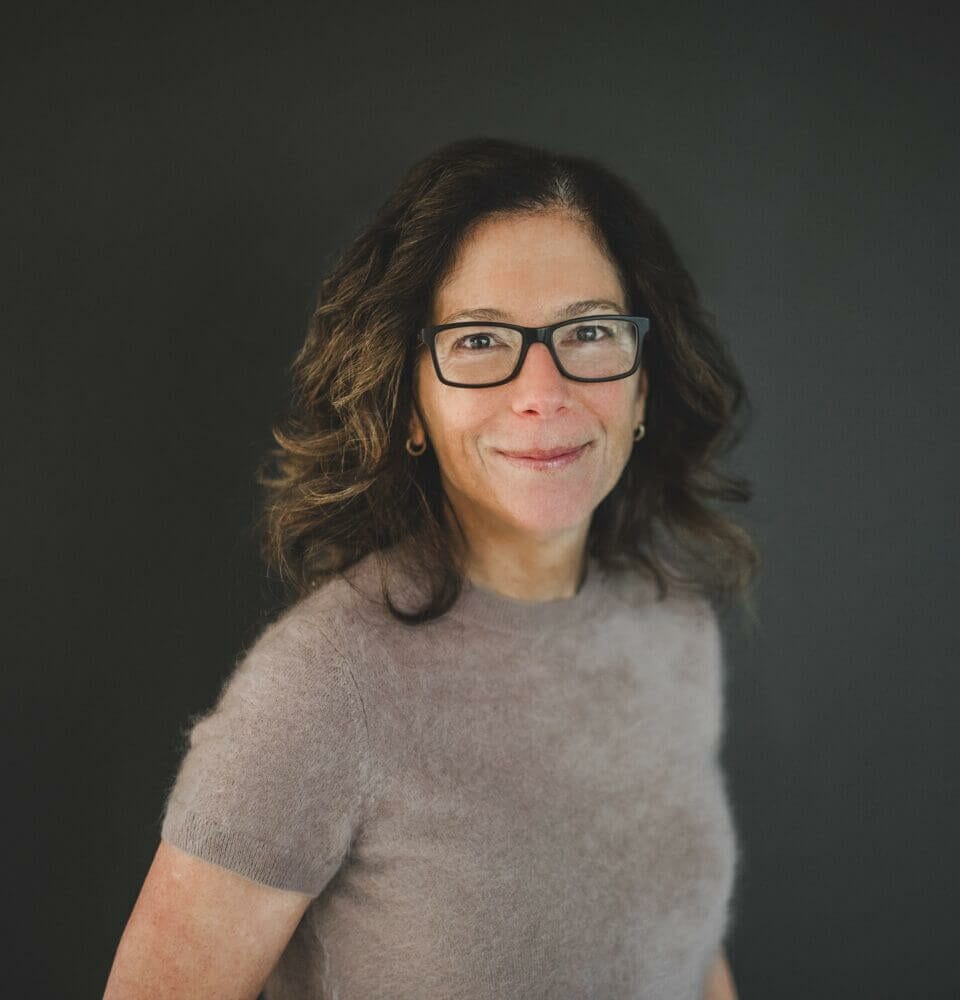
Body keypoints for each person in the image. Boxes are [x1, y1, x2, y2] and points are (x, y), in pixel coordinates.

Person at [103, 136, 758, 1000]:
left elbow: (684, 949)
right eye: (481, 339)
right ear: (410, 402)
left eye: (590, 331)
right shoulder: (323, 686)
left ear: (642, 387)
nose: (543, 391)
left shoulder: (672, 625)